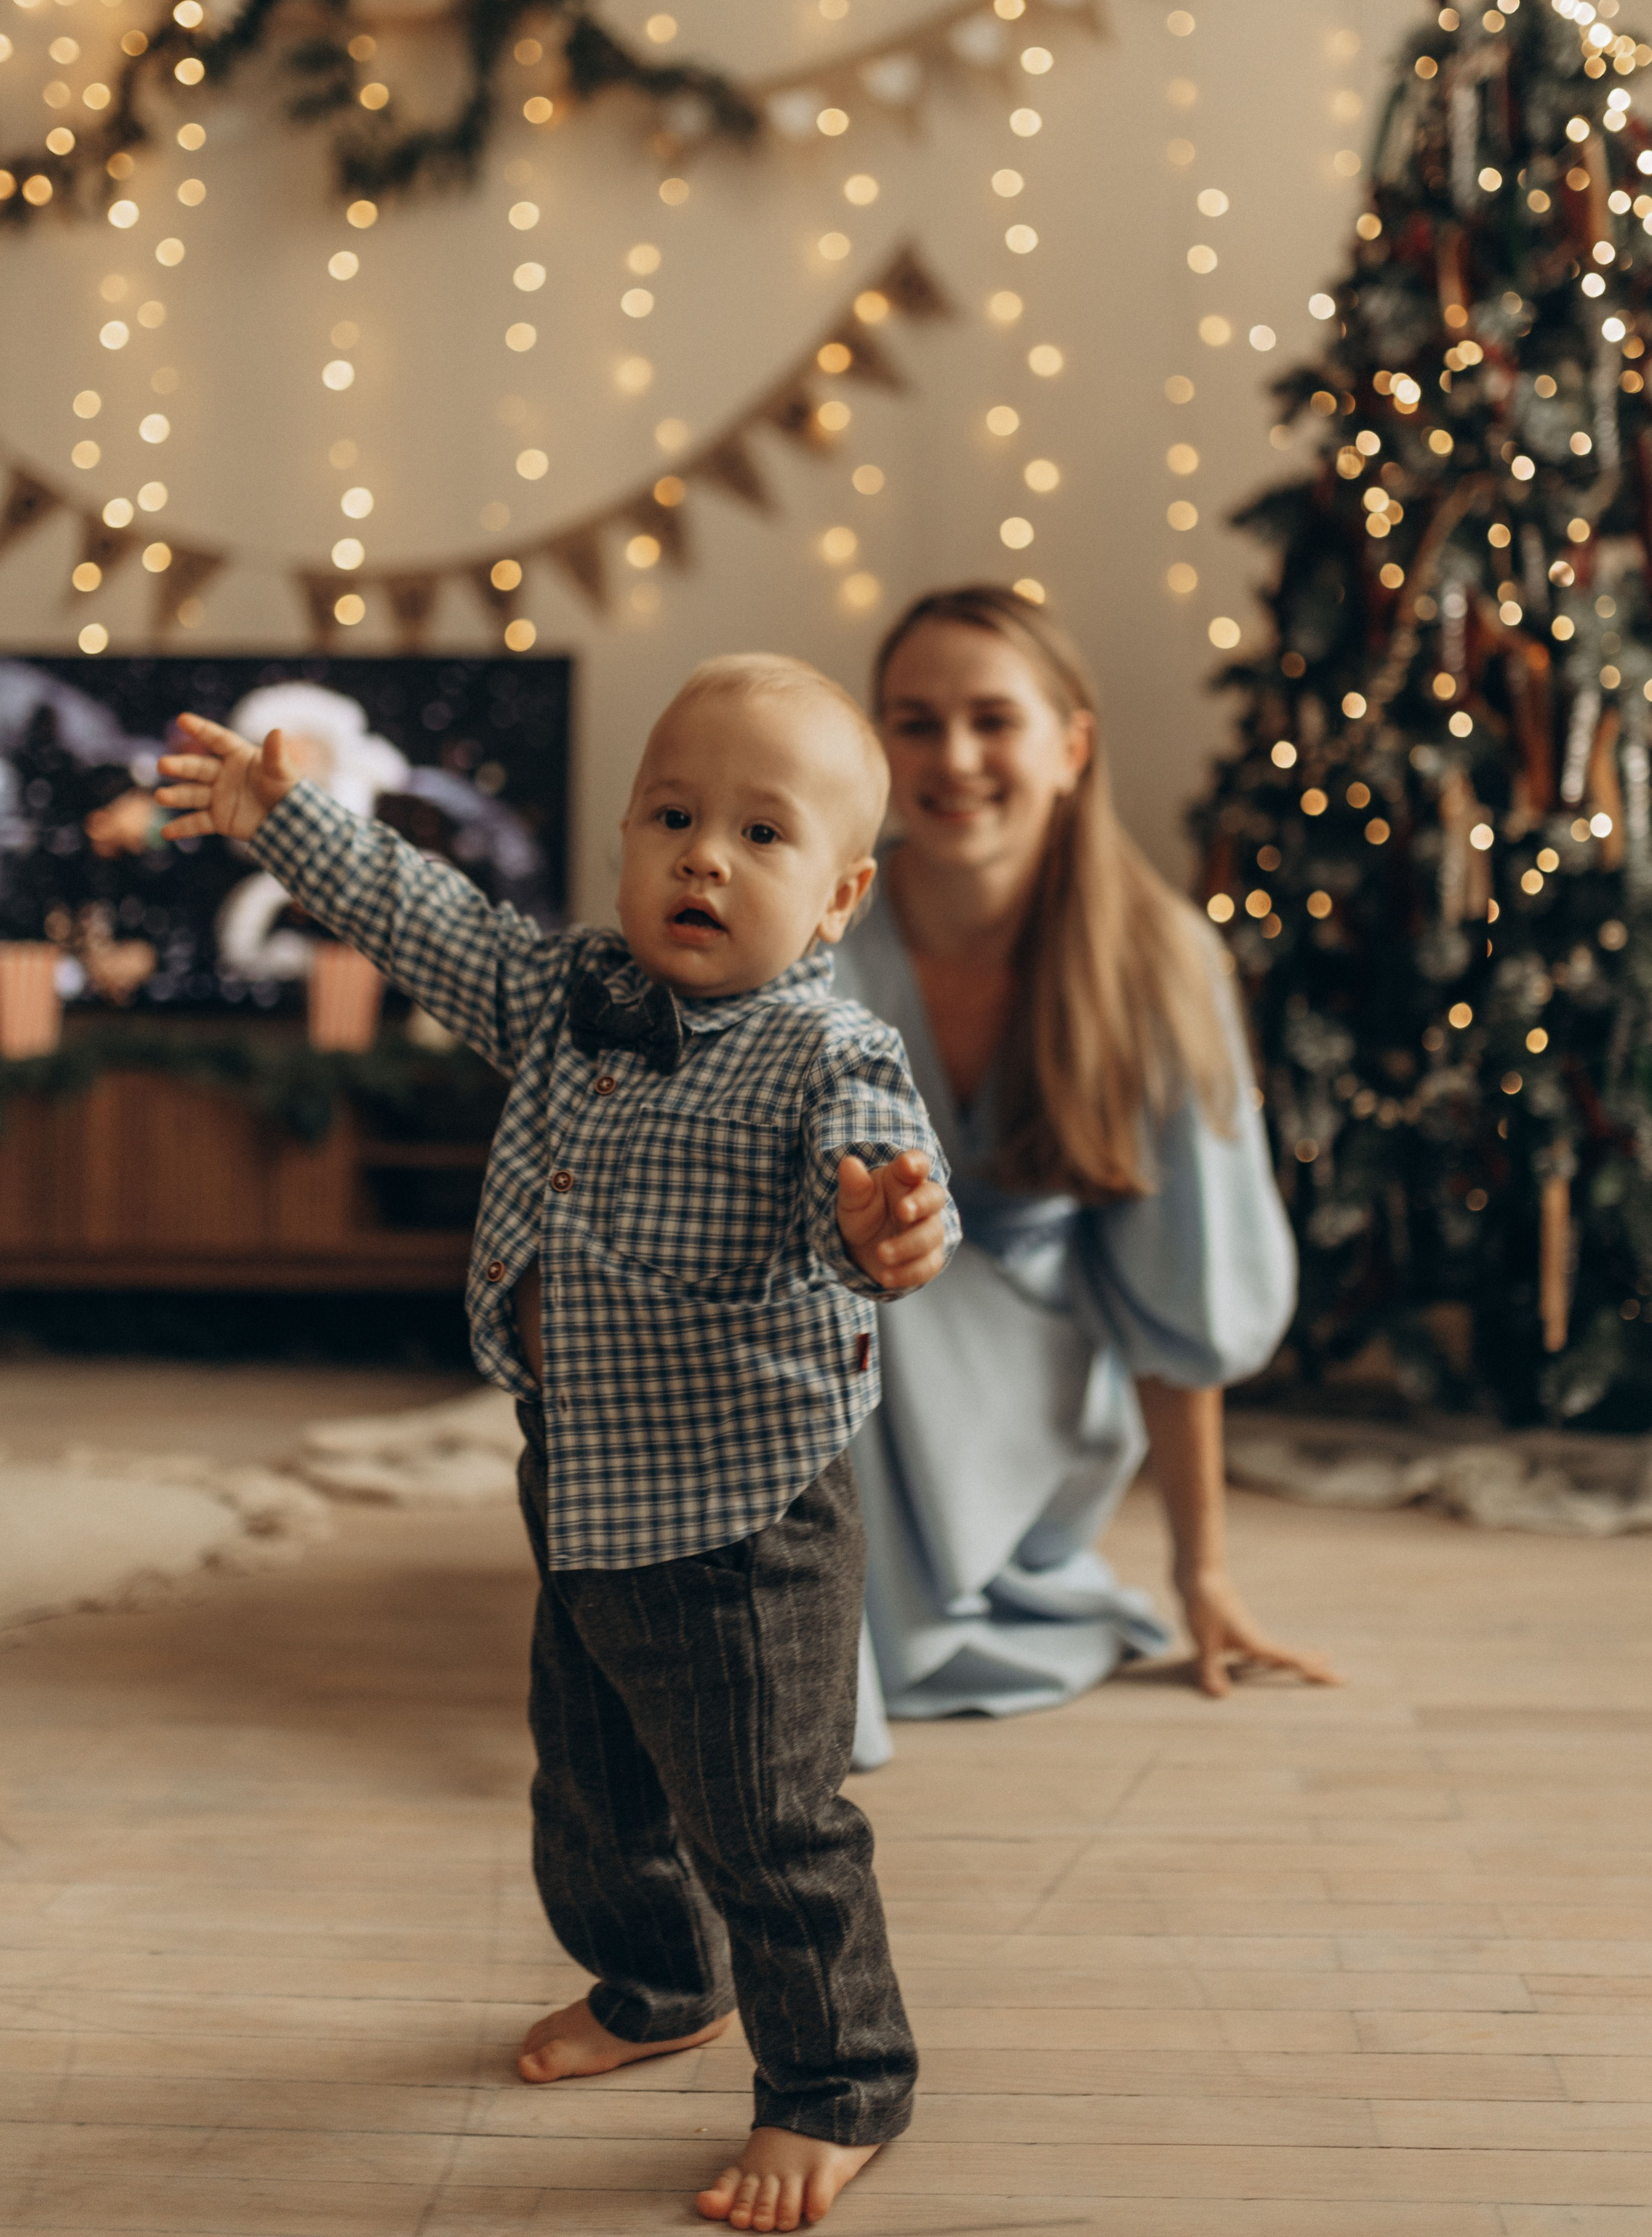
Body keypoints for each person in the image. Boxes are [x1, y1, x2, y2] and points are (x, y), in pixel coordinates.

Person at [154, 654, 960, 2237]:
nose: (701, 857)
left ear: (841, 894)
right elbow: (426, 913)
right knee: (589, 1790)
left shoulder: (824, 1053)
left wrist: (886, 1222)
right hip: (584, 1481)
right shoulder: (569, 995)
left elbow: (877, 1167)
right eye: (671, 815)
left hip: (740, 1516)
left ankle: (837, 2083)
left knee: (768, 1822)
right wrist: (283, 819)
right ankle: (663, 1985)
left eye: (758, 833)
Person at [832, 585, 1338, 1769]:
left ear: (1070, 744)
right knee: (829, 1280)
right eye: (914, 723)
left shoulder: (1160, 964)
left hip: (1041, 1393)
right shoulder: (816, 935)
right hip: (834, 1376)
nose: (953, 758)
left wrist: (1200, 1572)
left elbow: (1186, 1302)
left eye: (991, 720)